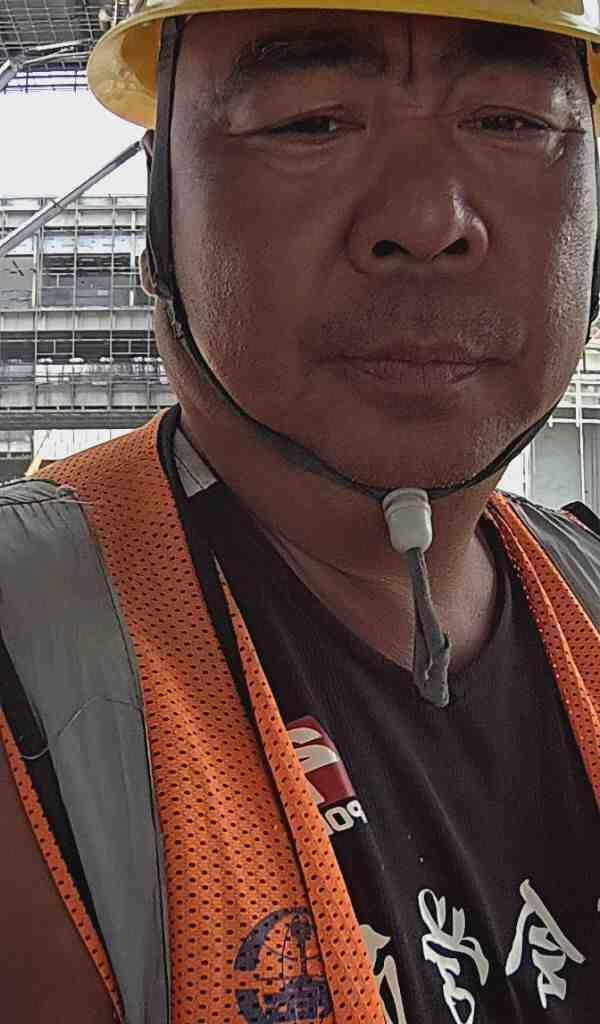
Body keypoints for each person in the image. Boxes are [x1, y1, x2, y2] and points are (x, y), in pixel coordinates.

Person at [2, 2, 600, 1022]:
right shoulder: (33, 656)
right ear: (160, 206)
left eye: (513, 120)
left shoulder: (586, 594)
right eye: (309, 122)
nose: (429, 220)